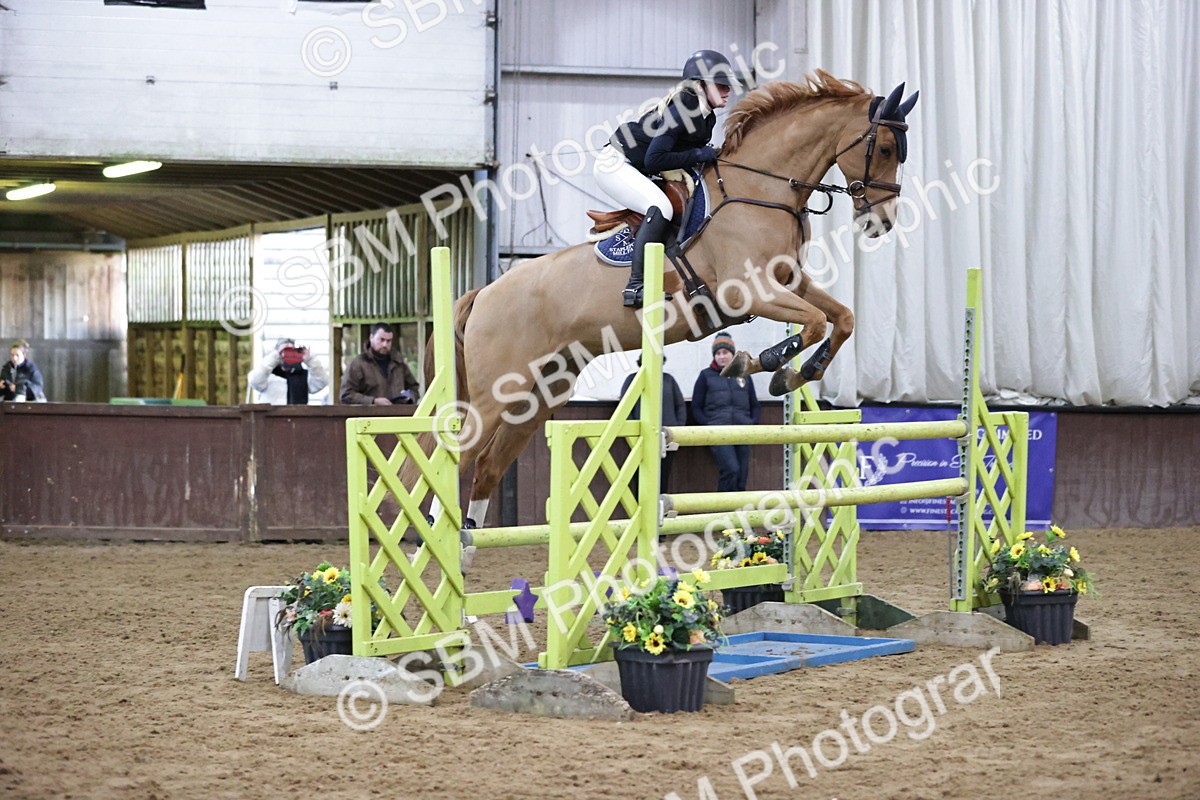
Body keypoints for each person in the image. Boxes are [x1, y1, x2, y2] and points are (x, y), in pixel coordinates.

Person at [594, 49, 737, 308]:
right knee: (661, 207)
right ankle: (635, 286)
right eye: (720, 85)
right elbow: (655, 159)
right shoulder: (683, 108)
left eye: (727, 85)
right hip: (615, 164)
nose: (728, 90)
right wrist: (698, 154)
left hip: (638, 166)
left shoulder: (706, 116)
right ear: (701, 85)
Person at [692, 331, 760, 492]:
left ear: (732, 354)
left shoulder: (744, 375)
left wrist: (752, 423)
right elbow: (696, 407)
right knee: (731, 469)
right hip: (719, 432)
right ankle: (722, 505)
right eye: (718, 353)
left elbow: (755, 404)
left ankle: (739, 507)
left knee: (742, 474)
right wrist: (709, 425)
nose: (721, 357)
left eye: (725, 352)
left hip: (743, 431)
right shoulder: (705, 376)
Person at [619, 354, 688, 493]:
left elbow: (680, 405)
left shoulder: (668, 380)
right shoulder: (632, 379)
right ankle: (641, 505)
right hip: (641, 437)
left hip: (667, 437)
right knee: (641, 476)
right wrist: (633, 433)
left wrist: (677, 427)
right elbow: (624, 409)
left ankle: (660, 504)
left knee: (664, 474)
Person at [339, 322, 420, 406]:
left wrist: (409, 397)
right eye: (381, 340)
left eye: (388, 341)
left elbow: (414, 388)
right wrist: (373, 401)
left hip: (397, 412)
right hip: (369, 413)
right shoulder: (358, 364)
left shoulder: (398, 363)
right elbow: (346, 395)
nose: (385, 344)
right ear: (371, 337)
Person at [248, 337, 330, 405]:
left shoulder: (302, 375)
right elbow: (255, 381)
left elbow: (321, 382)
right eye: (285, 352)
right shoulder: (268, 376)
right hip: (271, 418)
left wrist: (310, 359)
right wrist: (276, 355)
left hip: (298, 418)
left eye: (291, 351)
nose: (287, 355)